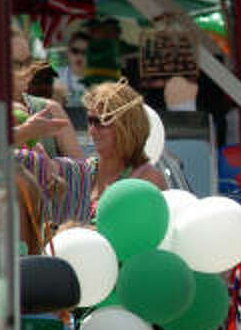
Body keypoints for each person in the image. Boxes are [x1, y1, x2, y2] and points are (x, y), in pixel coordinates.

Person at [15, 80, 165, 227]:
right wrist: (26, 134)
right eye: (90, 120)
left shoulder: (146, 179)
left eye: (102, 121)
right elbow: (42, 166)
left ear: (127, 125)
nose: (92, 130)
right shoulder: (82, 171)